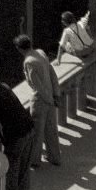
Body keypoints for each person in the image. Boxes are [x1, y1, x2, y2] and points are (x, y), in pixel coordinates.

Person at [14, 34, 61, 166]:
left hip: (40, 100)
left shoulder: (28, 62)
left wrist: (48, 100)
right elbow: (52, 74)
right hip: (51, 96)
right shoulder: (41, 53)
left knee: (37, 132)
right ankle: (55, 157)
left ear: (19, 49)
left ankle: (35, 160)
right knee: (51, 130)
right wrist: (55, 95)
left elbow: (37, 86)